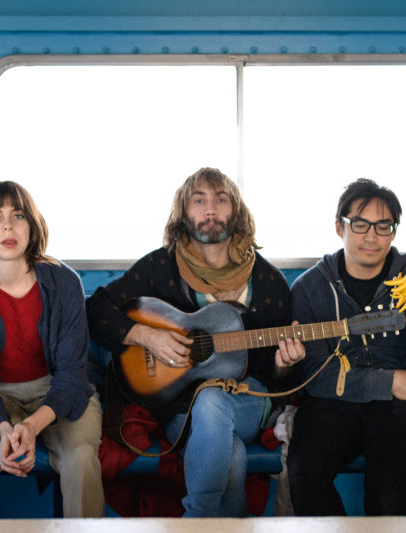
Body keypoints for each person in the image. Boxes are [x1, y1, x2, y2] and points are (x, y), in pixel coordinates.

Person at [85, 167, 304, 517]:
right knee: (230, 459)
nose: (211, 209)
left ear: (237, 212)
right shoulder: (160, 267)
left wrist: (283, 364)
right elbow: (96, 309)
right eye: (199, 200)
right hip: (178, 407)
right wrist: (147, 335)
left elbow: (277, 378)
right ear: (184, 214)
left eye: (221, 199)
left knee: (213, 400)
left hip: (248, 402)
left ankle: (195, 519)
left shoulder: (268, 281)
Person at [285, 178, 406, 516]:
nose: (371, 236)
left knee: (389, 490)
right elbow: (314, 374)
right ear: (340, 227)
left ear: (394, 231)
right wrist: (387, 381)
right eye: (360, 224)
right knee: (304, 471)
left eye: (384, 226)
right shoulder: (309, 288)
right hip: (336, 402)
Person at [0, 181, 104, 518]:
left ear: (32, 224)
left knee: (81, 458)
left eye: (18, 216)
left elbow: (74, 376)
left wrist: (30, 426)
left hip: (58, 389)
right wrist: (4, 428)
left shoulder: (65, 282)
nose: (8, 227)